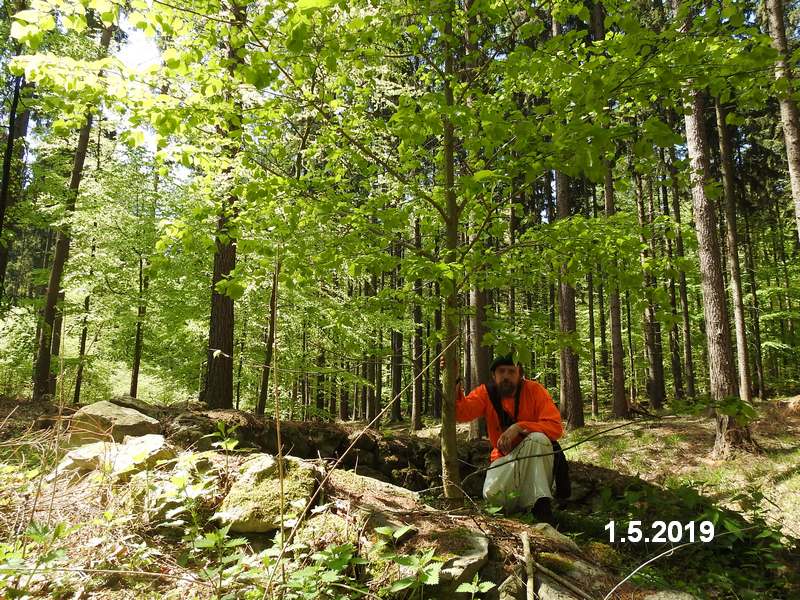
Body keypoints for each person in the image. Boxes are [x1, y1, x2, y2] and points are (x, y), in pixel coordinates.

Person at [455, 354, 563, 523]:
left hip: (534, 455)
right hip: (503, 458)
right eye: (501, 371)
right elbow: (461, 413)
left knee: (538, 439)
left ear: (519, 374)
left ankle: (541, 508)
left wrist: (519, 427)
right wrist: (454, 380)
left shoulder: (534, 390)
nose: (506, 376)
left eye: (511, 372)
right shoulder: (486, 393)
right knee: (492, 496)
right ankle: (522, 507)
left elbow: (555, 428)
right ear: (494, 375)